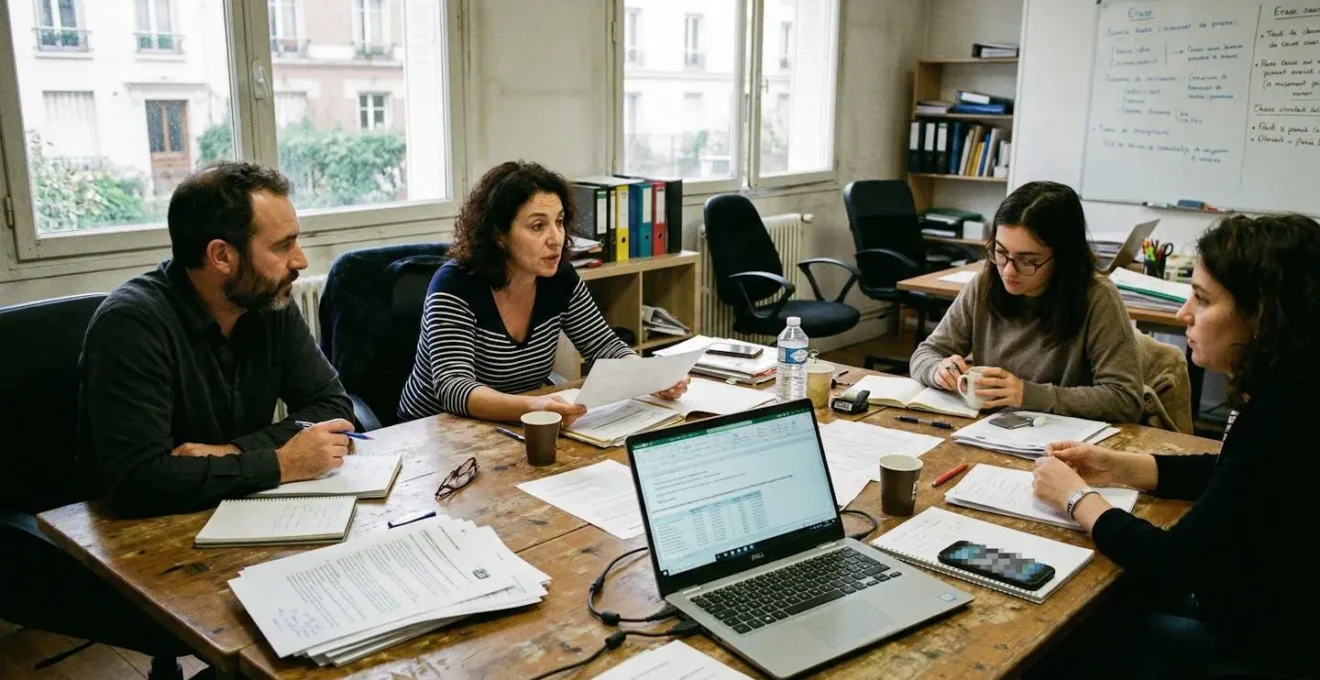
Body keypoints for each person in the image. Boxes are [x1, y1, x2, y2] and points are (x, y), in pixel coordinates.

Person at [1031, 214, 1319, 678]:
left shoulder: (1283, 417)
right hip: (1267, 615)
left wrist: (1075, 498)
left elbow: (1172, 563)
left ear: (1262, 315)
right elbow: (1236, 476)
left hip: (1262, 648)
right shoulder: (1293, 394)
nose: (1184, 314)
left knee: (1065, 644)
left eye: (1202, 299)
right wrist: (1118, 466)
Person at [78, 162, 356, 519]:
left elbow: (333, 407)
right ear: (222, 256)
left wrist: (231, 452)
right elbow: (137, 481)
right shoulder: (131, 324)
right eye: (283, 246)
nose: (300, 260)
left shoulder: (267, 302)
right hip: (140, 532)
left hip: (239, 512)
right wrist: (281, 464)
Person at [398, 161, 687, 425]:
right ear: (499, 235)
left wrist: (650, 377)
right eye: (538, 226)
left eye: (559, 222)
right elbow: (453, 387)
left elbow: (604, 346)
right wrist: (533, 406)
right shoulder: (455, 285)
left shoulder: (559, 277)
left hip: (515, 423)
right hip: (432, 432)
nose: (556, 238)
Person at [909, 181, 1142, 422]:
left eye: (1027, 260)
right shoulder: (985, 283)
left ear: (1062, 258)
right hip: (989, 428)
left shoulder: (1097, 297)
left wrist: (1027, 395)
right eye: (1001, 252)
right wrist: (938, 371)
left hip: (1062, 438)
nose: (1009, 271)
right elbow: (926, 353)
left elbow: (1125, 399)